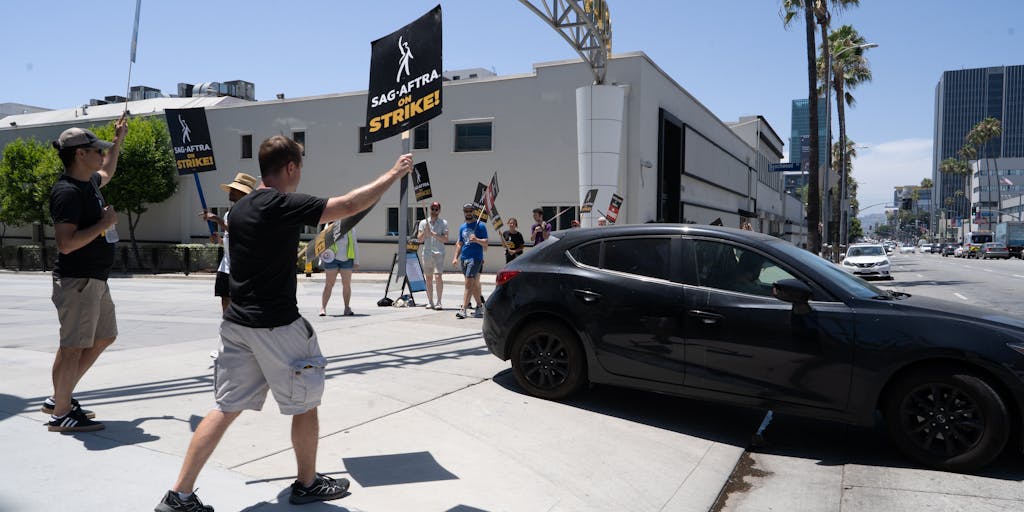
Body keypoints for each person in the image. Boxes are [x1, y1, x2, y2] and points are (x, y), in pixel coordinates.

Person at [155, 135, 412, 511]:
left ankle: (179, 495)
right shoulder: (281, 204)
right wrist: (393, 172)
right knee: (305, 404)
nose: (300, 175)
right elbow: (348, 205)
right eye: (300, 168)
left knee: (225, 407)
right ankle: (307, 484)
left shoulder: (238, 211)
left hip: (237, 324)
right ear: (290, 168)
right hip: (276, 326)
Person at [43, 115, 127, 433]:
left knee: (104, 336)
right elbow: (66, 244)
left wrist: (117, 141)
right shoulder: (67, 192)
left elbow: (107, 170)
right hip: (78, 280)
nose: (100, 155)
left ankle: (59, 398)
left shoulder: (88, 183)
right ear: (80, 154)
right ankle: (61, 413)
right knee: (72, 346)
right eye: (96, 150)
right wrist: (104, 225)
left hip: (94, 279)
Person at [201, 172, 256, 313]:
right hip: (226, 265)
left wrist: (218, 221)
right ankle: (227, 326)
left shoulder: (251, 213)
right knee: (225, 299)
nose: (230, 192)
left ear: (243, 193)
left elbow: (240, 233)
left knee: (241, 301)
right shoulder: (229, 213)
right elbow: (230, 239)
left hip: (242, 267)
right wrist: (219, 240)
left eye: (234, 190)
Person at [452, 203, 487, 319]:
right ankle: (479, 307)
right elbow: (460, 243)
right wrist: (455, 257)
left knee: (468, 284)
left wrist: (476, 239)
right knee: (474, 285)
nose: (468, 213)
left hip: (475, 258)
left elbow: (486, 243)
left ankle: (463, 309)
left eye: (470, 211)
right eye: (466, 211)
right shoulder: (462, 227)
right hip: (464, 258)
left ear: (474, 212)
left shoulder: (480, 226)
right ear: (464, 212)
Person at [319, 224, 359, 316]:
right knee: (329, 284)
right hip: (331, 259)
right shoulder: (328, 226)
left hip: (347, 260)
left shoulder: (350, 226)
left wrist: (356, 261)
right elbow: (322, 242)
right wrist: (322, 259)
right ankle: (323, 308)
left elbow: (354, 243)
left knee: (346, 285)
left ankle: (347, 308)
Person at [416, 201, 448, 310]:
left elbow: (445, 239)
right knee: (428, 278)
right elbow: (419, 238)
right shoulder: (423, 222)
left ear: (439, 210)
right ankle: (430, 302)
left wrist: (433, 234)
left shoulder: (443, 223)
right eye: (432, 209)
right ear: (430, 209)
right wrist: (426, 231)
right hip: (427, 253)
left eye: (436, 209)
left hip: (439, 253)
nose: (434, 211)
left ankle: (439, 302)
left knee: (438, 277)